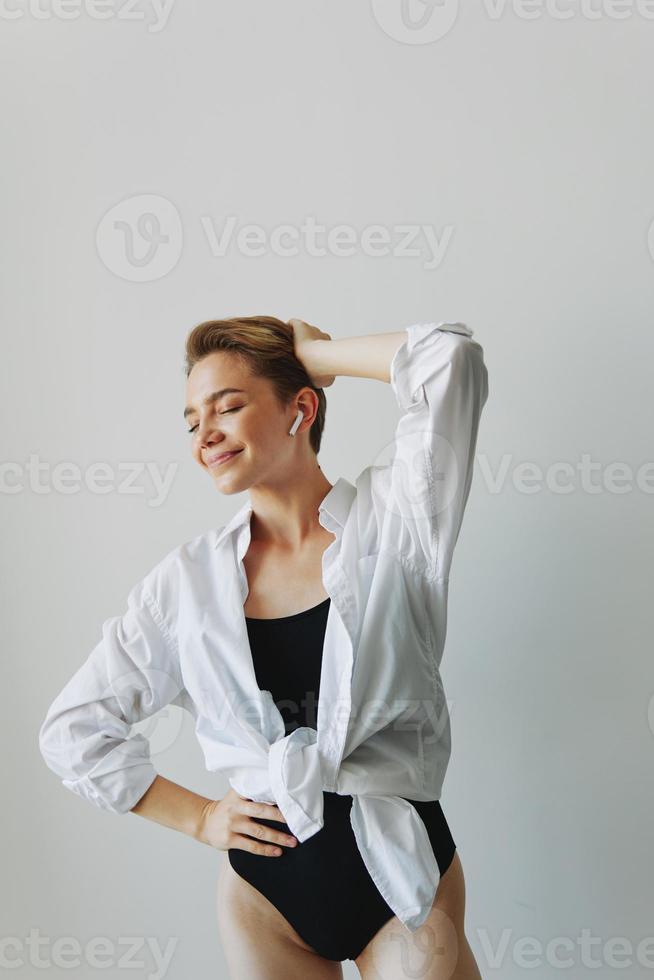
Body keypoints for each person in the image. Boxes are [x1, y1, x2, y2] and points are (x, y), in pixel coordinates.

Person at [39, 314, 488, 979]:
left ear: (300, 408)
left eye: (227, 407)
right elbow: (74, 730)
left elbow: (449, 361)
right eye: (193, 421)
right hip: (264, 897)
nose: (206, 434)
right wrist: (198, 819)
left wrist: (315, 354)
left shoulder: (396, 526)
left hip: (399, 872)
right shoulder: (185, 585)